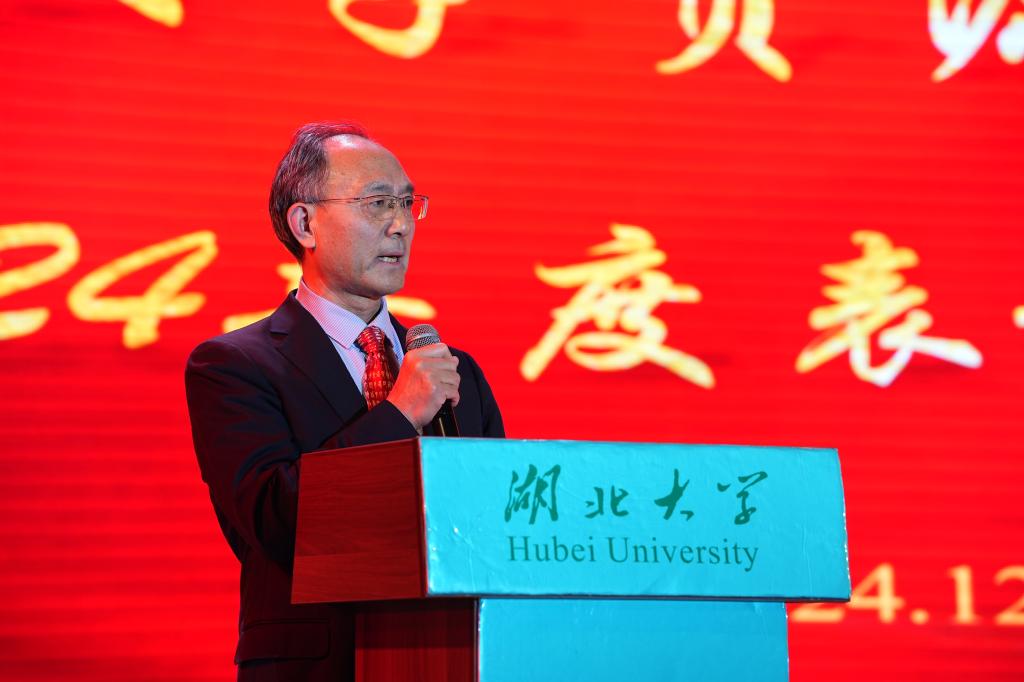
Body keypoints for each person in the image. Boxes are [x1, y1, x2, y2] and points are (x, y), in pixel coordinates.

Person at [184, 122, 504, 681]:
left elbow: (493, 522)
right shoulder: (235, 366)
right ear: (305, 223)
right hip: (316, 664)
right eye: (377, 203)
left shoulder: (455, 371)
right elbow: (277, 521)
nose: (400, 224)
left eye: (407, 203)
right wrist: (399, 415)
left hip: (450, 655)